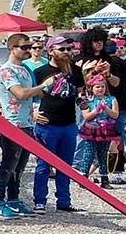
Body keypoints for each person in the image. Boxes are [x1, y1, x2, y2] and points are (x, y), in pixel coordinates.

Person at [0, 33, 51, 220]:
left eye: (29, 47)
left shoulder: (25, 70)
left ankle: (13, 199)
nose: (28, 50)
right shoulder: (6, 71)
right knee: (8, 164)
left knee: (20, 166)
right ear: (12, 49)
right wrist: (43, 85)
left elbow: (34, 96)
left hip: (26, 122)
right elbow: (21, 93)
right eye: (24, 47)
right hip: (12, 123)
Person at [31, 35, 85, 213]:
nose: (67, 52)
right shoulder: (40, 72)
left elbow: (80, 94)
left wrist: (85, 104)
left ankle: (63, 201)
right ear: (51, 51)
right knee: (43, 165)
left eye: (69, 49)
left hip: (68, 124)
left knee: (65, 165)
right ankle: (40, 201)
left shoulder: (75, 71)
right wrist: (33, 114)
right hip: (47, 124)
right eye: (62, 49)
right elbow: (27, 98)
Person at [77, 27, 126, 164]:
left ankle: (106, 164)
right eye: (95, 41)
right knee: (82, 132)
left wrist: (107, 74)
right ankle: (78, 164)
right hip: (87, 100)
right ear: (89, 42)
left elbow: (117, 83)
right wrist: (92, 71)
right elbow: (80, 83)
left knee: (109, 133)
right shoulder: (80, 59)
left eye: (101, 40)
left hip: (106, 100)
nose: (99, 43)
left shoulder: (109, 60)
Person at [75, 74, 122, 188]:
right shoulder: (87, 100)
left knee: (103, 154)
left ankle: (104, 178)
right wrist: (96, 110)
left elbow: (115, 115)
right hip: (92, 130)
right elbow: (86, 116)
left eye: (102, 86)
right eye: (97, 87)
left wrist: (106, 109)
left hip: (107, 130)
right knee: (89, 153)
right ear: (91, 88)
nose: (100, 89)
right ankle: (84, 177)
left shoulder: (112, 99)